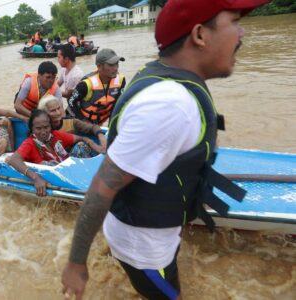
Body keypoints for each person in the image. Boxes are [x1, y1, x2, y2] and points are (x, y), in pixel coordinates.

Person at [61, 1, 269, 299]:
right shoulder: (170, 104)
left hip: (150, 232)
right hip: (144, 250)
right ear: (199, 35)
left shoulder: (164, 78)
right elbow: (101, 188)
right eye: (234, 21)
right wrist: (76, 262)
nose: (242, 32)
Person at [6, 109, 102, 196]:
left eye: (46, 127)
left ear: (50, 126)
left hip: (69, 173)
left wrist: (94, 145)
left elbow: (81, 138)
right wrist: (36, 178)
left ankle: (89, 181)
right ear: (32, 129)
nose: (43, 132)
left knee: (81, 146)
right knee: (47, 164)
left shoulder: (55, 135)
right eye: (38, 128)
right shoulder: (30, 143)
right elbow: (14, 159)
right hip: (55, 178)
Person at [67, 48, 126, 125]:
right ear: (99, 66)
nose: (115, 68)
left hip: (99, 124)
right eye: (111, 65)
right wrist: (84, 121)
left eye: (117, 63)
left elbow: (116, 105)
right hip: (80, 123)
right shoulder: (86, 85)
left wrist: (111, 125)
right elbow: (71, 101)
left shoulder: (121, 81)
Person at [38, 95, 107, 154]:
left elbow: (93, 127)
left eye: (59, 108)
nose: (58, 113)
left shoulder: (71, 122)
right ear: (45, 114)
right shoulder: (43, 130)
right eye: (53, 111)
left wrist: (102, 138)